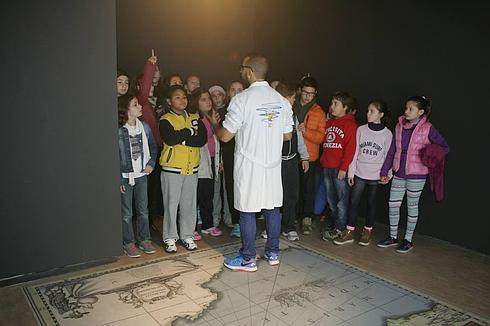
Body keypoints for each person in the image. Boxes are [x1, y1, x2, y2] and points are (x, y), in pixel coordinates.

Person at [211, 53, 293, 272]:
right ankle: (273, 252)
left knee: (247, 210)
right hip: (273, 165)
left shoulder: (242, 99)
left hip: (250, 166)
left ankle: (248, 258)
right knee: (272, 208)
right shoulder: (281, 101)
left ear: (249, 71)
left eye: (242, 69)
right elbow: (287, 136)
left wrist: (214, 126)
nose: (240, 72)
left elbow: (226, 136)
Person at [377, 96, 449, 253]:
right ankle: (393, 236)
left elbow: (444, 147)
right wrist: (385, 171)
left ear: (421, 112)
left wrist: (430, 153)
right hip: (398, 173)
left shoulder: (428, 128)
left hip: (417, 175)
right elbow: (392, 150)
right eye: (406, 108)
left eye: (411, 109)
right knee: (393, 205)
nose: (406, 111)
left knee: (411, 207)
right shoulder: (399, 126)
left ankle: (408, 240)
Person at [333, 100, 393, 246]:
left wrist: (388, 174)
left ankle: (367, 231)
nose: (368, 114)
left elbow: (388, 156)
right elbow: (354, 153)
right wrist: (351, 173)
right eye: (367, 110)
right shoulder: (361, 130)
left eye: (372, 111)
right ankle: (349, 231)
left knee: (371, 203)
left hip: (376, 174)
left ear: (381, 114)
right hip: (360, 172)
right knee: (354, 202)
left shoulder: (387, 134)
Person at [159, 85, 207, 253]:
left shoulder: (194, 117)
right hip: (172, 169)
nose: (182, 100)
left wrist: (184, 138)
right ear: (169, 101)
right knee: (171, 205)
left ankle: (187, 235)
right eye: (177, 97)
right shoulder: (166, 119)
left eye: (184, 97)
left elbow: (201, 139)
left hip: (191, 168)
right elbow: (171, 139)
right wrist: (188, 131)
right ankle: (170, 237)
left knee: (189, 204)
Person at [118, 93, 158, 257]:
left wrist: (150, 164)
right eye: (135, 105)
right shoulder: (119, 130)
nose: (140, 107)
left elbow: (153, 148)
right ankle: (128, 242)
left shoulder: (145, 127)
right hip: (126, 176)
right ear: (126, 109)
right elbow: (115, 156)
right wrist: (119, 179)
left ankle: (144, 240)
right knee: (127, 213)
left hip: (141, 175)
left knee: (143, 210)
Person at [320, 92, 358, 241]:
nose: (332, 106)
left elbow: (350, 149)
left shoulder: (350, 125)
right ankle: (336, 223)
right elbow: (324, 142)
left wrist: (343, 168)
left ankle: (341, 227)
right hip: (327, 167)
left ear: (345, 107)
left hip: (339, 169)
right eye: (331, 103)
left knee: (342, 200)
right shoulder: (329, 124)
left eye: (336, 104)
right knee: (331, 198)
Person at [275, 81, 309, 241]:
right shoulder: (272, 117)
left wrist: (305, 156)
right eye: (292, 98)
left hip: (291, 162)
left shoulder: (293, 115)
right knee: (274, 197)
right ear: (282, 98)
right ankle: (272, 227)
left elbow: (299, 138)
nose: (294, 101)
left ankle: (288, 227)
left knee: (291, 195)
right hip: (275, 163)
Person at [294, 76, 327, 235]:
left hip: (310, 157)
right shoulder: (292, 105)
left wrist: (306, 132)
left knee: (308, 190)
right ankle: (292, 217)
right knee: (293, 188)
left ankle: (306, 219)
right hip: (291, 154)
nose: (307, 96)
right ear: (300, 91)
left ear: (315, 94)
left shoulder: (318, 112)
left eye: (311, 94)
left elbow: (321, 137)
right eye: (305, 92)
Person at [192, 88, 223, 237]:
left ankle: (207, 225)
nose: (208, 102)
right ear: (196, 103)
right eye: (203, 99)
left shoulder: (213, 117)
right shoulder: (194, 118)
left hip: (212, 160)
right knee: (195, 196)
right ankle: (190, 228)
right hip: (199, 161)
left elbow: (219, 140)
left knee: (208, 196)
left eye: (208, 99)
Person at [211, 84, 241, 237]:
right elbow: (220, 139)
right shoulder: (223, 112)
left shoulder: (249, 109)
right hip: (229, 157)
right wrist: (220, 159)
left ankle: (246, 222)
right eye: (233, 90)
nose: (236, 93)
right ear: (228, 93)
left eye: (239, 90)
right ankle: (237, 223)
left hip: (247, 157)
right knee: (230, 189)